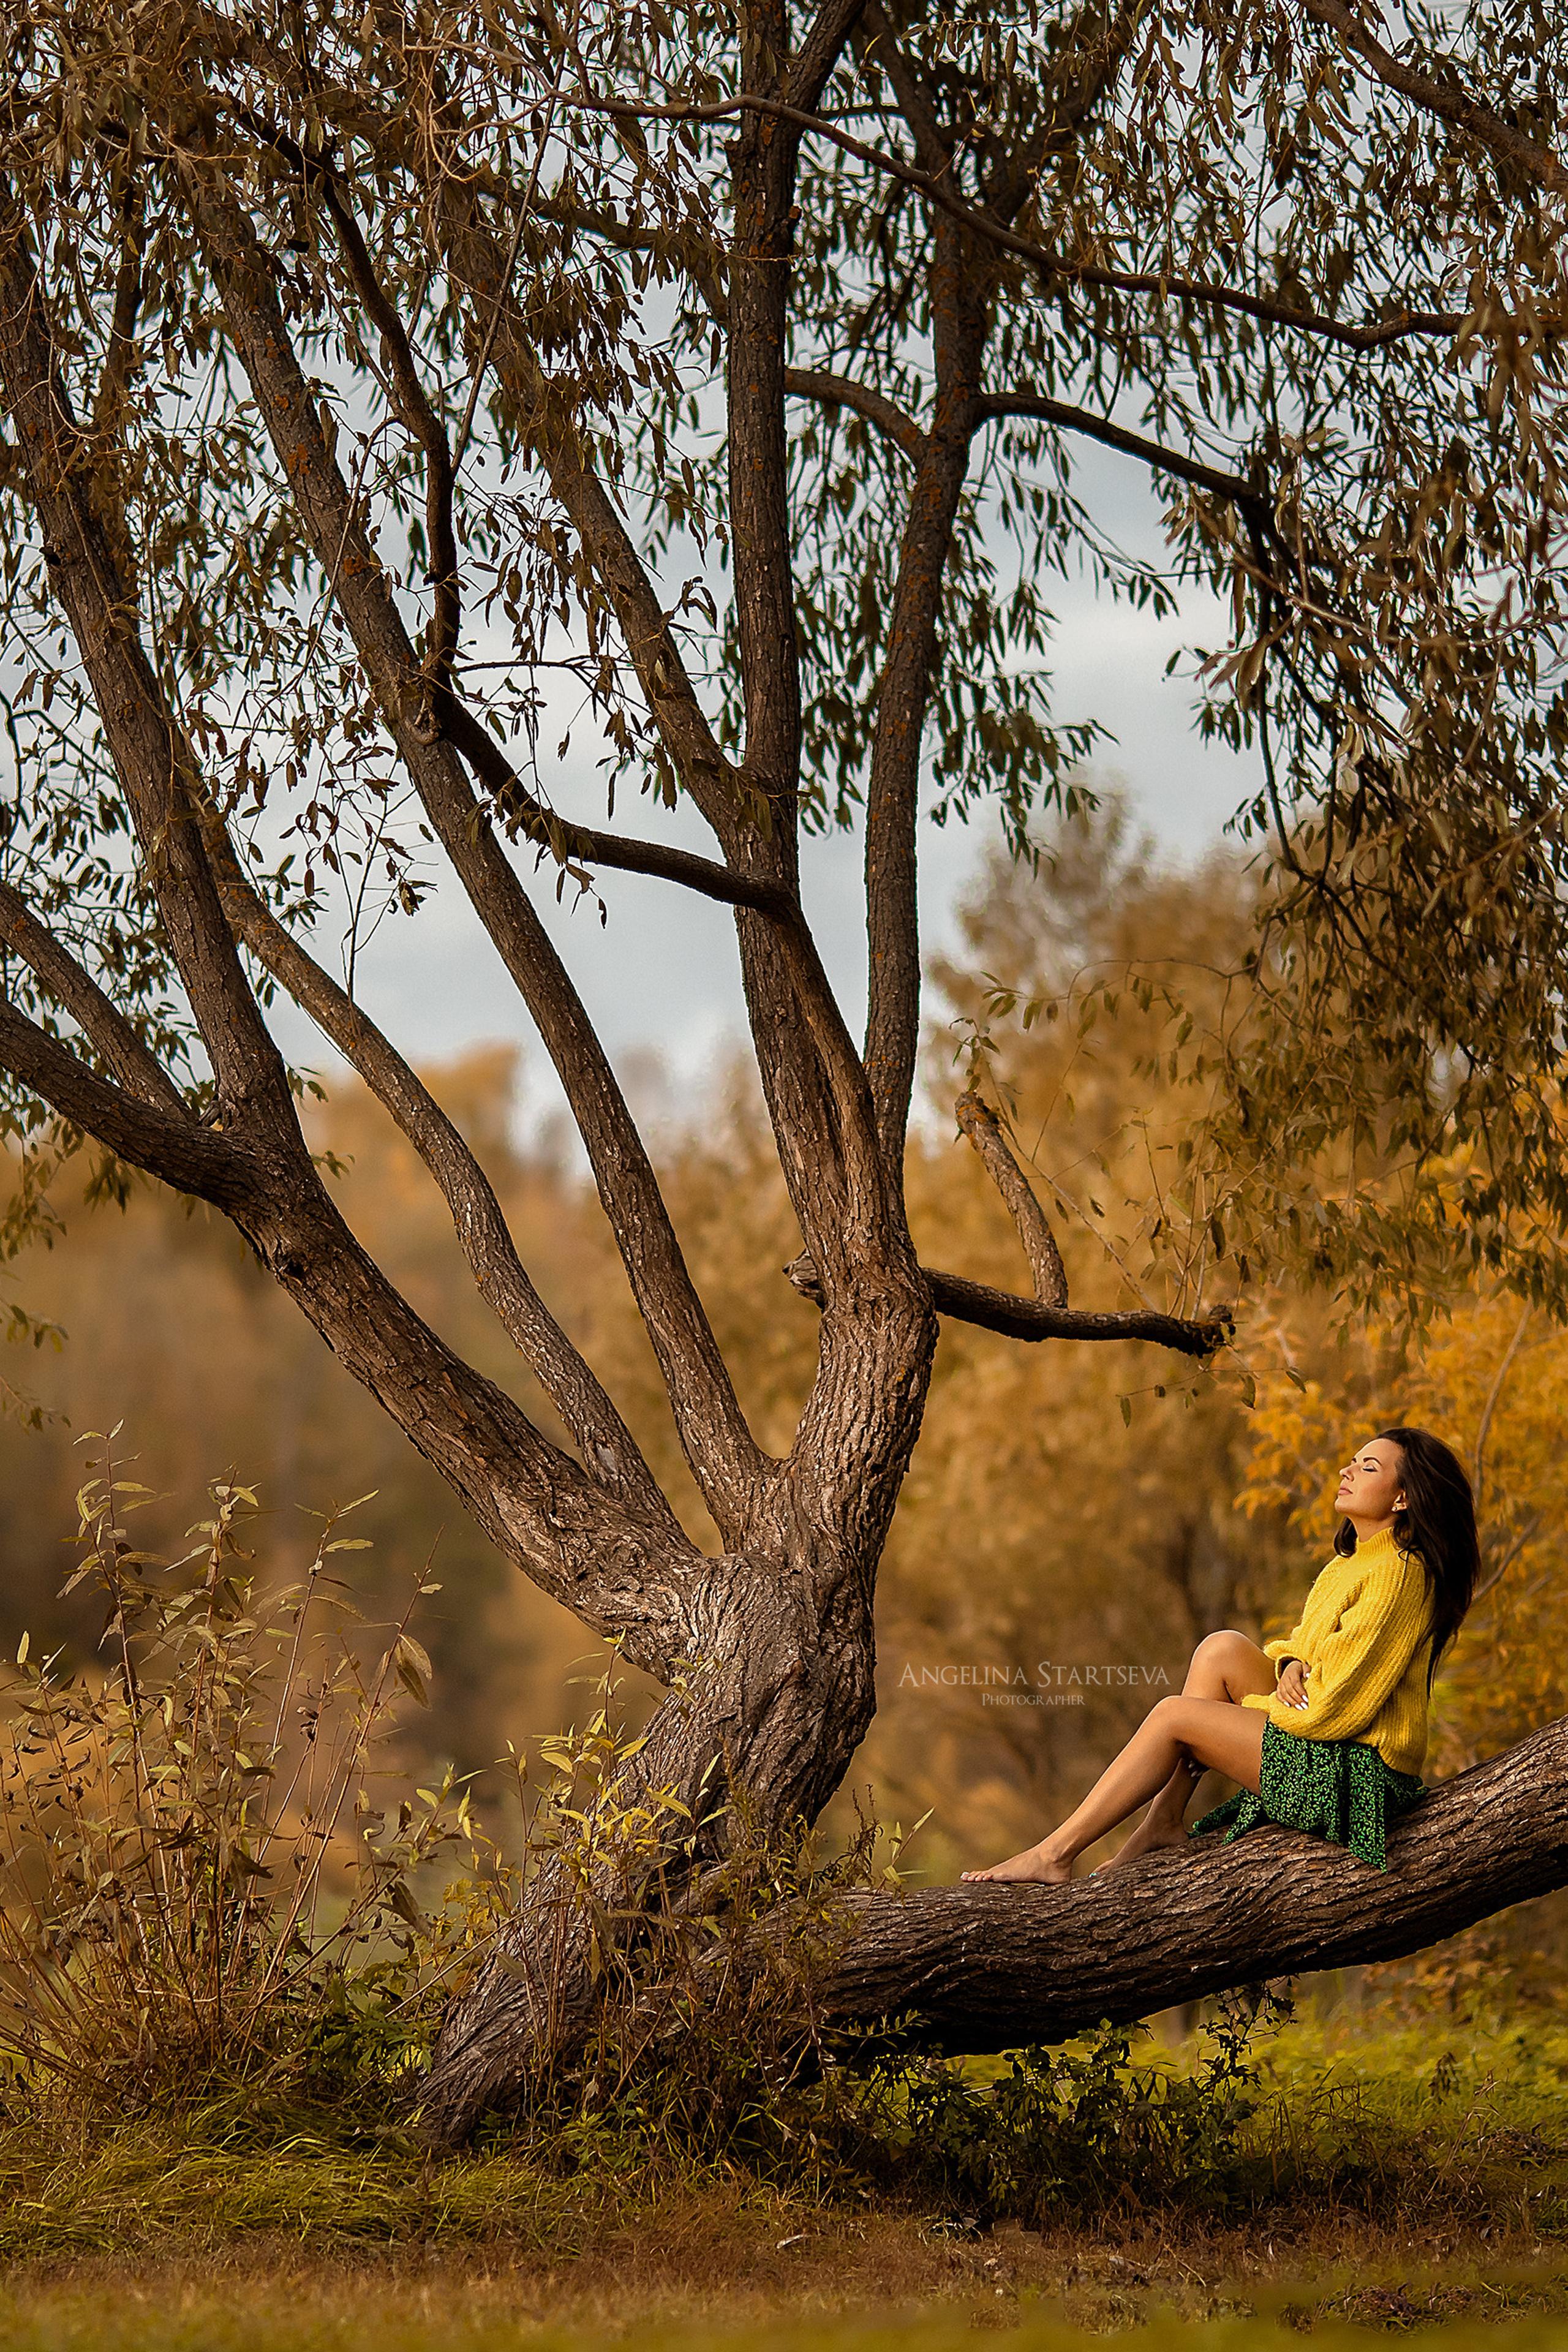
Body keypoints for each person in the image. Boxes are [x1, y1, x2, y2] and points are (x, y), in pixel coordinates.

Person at [960, 1427, 1479, 1885]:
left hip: (1358, 1781)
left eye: (1368, 1467)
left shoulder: (1400, 1572)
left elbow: (1334, 1707)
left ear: (1404, 1498)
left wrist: (1232, 1719)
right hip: (1328, 1748)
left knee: (1175, 1717)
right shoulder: (1346, 1565)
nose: (1347, 1470)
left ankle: (1054, 1854)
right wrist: (1287, 1666)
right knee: (1221, 1649)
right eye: (1353, 1461)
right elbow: (1301, 1650)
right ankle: (1163, 1820)